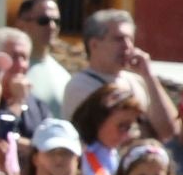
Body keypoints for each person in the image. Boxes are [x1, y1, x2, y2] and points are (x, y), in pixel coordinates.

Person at [62, 9, 175, 141]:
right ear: (94, 45)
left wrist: (149, 76)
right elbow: (113, 138)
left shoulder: (139, 81)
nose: (127, 46)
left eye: (130, 39)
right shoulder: (79, 86)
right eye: (119, 39)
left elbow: (170, 131)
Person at [72, 82, 143, 175]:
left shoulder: (117, 156)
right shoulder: (75, 155)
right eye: (121, 126)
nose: (126, 134)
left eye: (129, 127)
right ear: (98, 120)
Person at [0, 25, 45, 141]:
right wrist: (17, 103)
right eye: (14, 57)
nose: (21, 65)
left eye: (24, 57)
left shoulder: (37, 105)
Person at [15, 0, 71, 118]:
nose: (52, 27)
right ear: (21, 24)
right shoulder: (9, 70)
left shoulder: (63, 76)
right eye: (43, 21)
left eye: (56, 21)